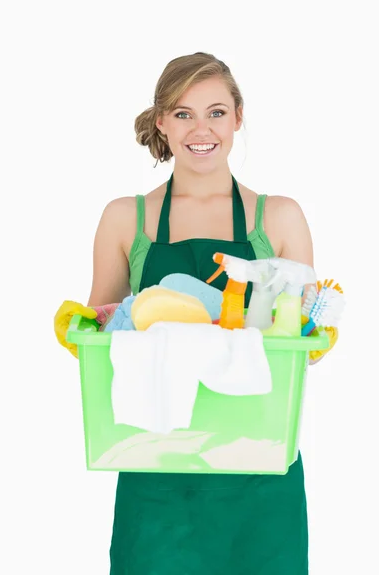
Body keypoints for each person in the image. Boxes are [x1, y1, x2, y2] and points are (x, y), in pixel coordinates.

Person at [54, 52, 338, 574]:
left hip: (261, 470)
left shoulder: (278, 216)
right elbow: (99, 335)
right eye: (183, 114)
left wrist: (313, 335)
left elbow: (303, 346)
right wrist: (85, 326)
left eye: (215, 112)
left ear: (238, 117)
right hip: (156, 468)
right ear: (161, 121)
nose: (200, 129)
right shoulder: (125, 219)